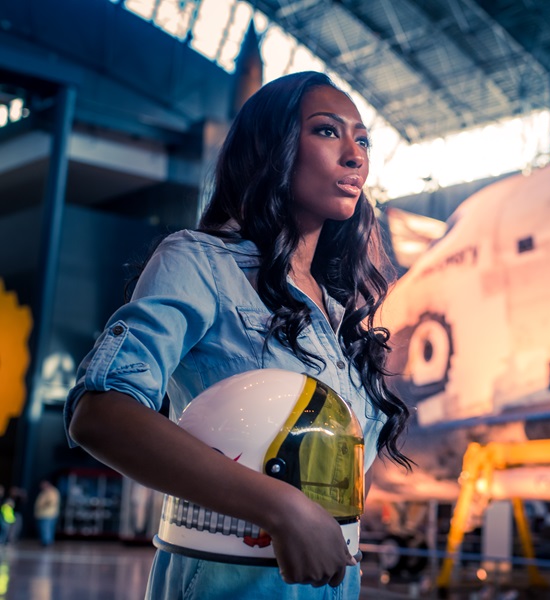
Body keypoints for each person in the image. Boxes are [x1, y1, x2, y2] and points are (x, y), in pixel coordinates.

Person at [64, 71, 411, 599]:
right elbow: (100, 412)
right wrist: (280, 506)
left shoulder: (340, 313)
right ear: (274, 148)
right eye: (326, 132)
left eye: (362, 139)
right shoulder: (202, 263)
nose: (354, 155)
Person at [34, 480, 61, 547]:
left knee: (46, 529)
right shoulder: (45, 492)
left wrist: (43, 506)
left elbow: (51, 502)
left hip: (47, 514)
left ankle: (46, 543)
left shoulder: (51, 491)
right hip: (43, 514)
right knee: (46, 529)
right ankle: (46, 542)